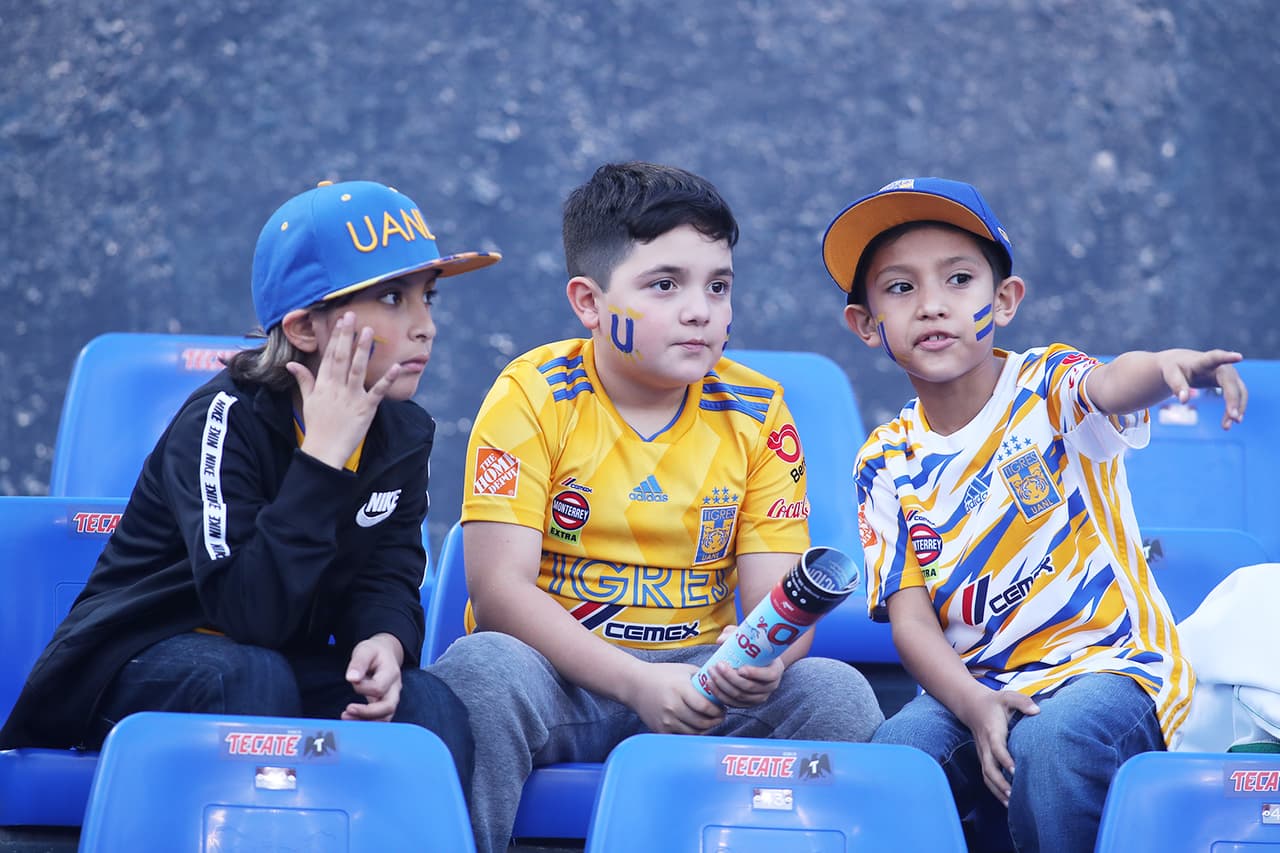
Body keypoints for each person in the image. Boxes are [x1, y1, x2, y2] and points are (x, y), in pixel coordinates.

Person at [431, 161, 883, 852]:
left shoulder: (760, 412)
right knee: (480, 671)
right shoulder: (530, 394)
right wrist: (637, 682)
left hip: (704, 681)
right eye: (665, 285)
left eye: (719, 285)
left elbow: (777, 604)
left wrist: (763, 660)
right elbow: (497, 593)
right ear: (589, 302)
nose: (701, 309)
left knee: (835, 691)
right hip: (561, 678)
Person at [0, 179, 498, 797]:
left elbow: (389, 569)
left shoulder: (403, 433)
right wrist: (322, 459)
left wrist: (386, 641)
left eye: (429, 297)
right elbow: (249, 612)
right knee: (250, 679)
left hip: (278, 666)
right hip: (140, 665)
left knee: (429, 708)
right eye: (393, 298)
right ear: (305, 329)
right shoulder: (220, 420)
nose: (425, 326)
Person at [822, 176, 1249, 853]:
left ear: (1005, 300)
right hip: (981, 684)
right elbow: (911, 620)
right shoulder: (885, 457)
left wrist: (1172, 366)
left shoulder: (1047, 385)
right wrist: (973, 704)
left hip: (1112, 667)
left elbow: (1110, 383)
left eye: (958, 279)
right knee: (901, 753)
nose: (932, 304)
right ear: (867, 324)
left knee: (1052, 740)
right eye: (900, 288)